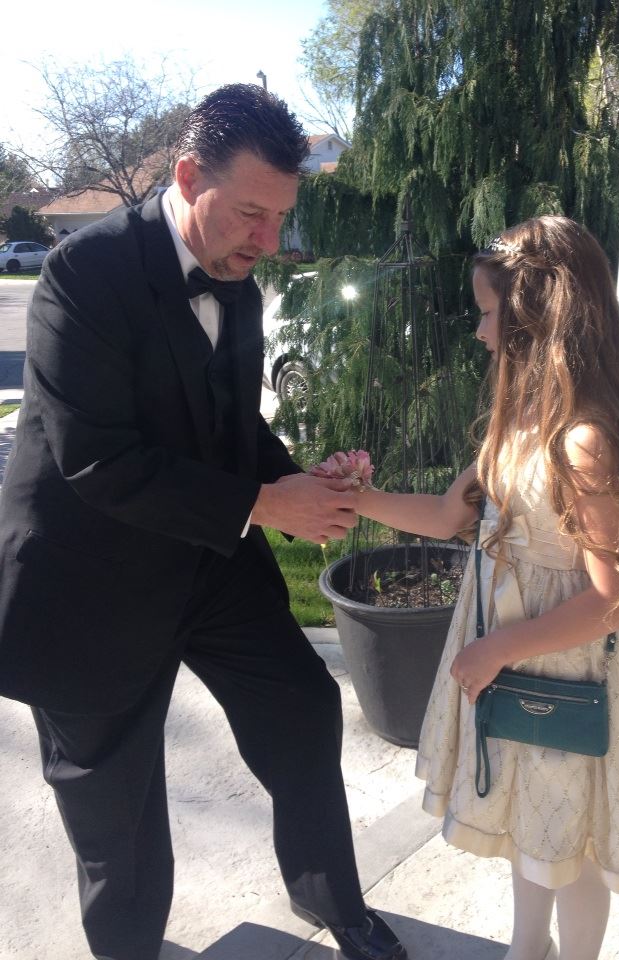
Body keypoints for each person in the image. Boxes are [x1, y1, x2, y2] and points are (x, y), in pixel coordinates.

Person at [0, 84, 407, 960]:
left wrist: (297, 478)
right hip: (89, 582)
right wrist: (264, 503)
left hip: (208, 563)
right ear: (188, 175)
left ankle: (334, 902)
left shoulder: (240, 284)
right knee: (117, 811)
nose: (269, 241)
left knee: (302, 711)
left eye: (281, 218)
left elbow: (230, 428)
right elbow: (97, 460)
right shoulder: (81, 276)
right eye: (253, 213)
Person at [339, 216, 619, 960]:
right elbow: (441, 515)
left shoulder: (583, 440)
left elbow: (616, 596)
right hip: (521, 663)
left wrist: (496, 648)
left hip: (569, 672)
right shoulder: (521, 425)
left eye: (489, 312)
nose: (479, 332)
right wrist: (354, 497)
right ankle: (528, 949)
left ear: (535, 317)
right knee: (537, 827)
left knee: (576, 838)